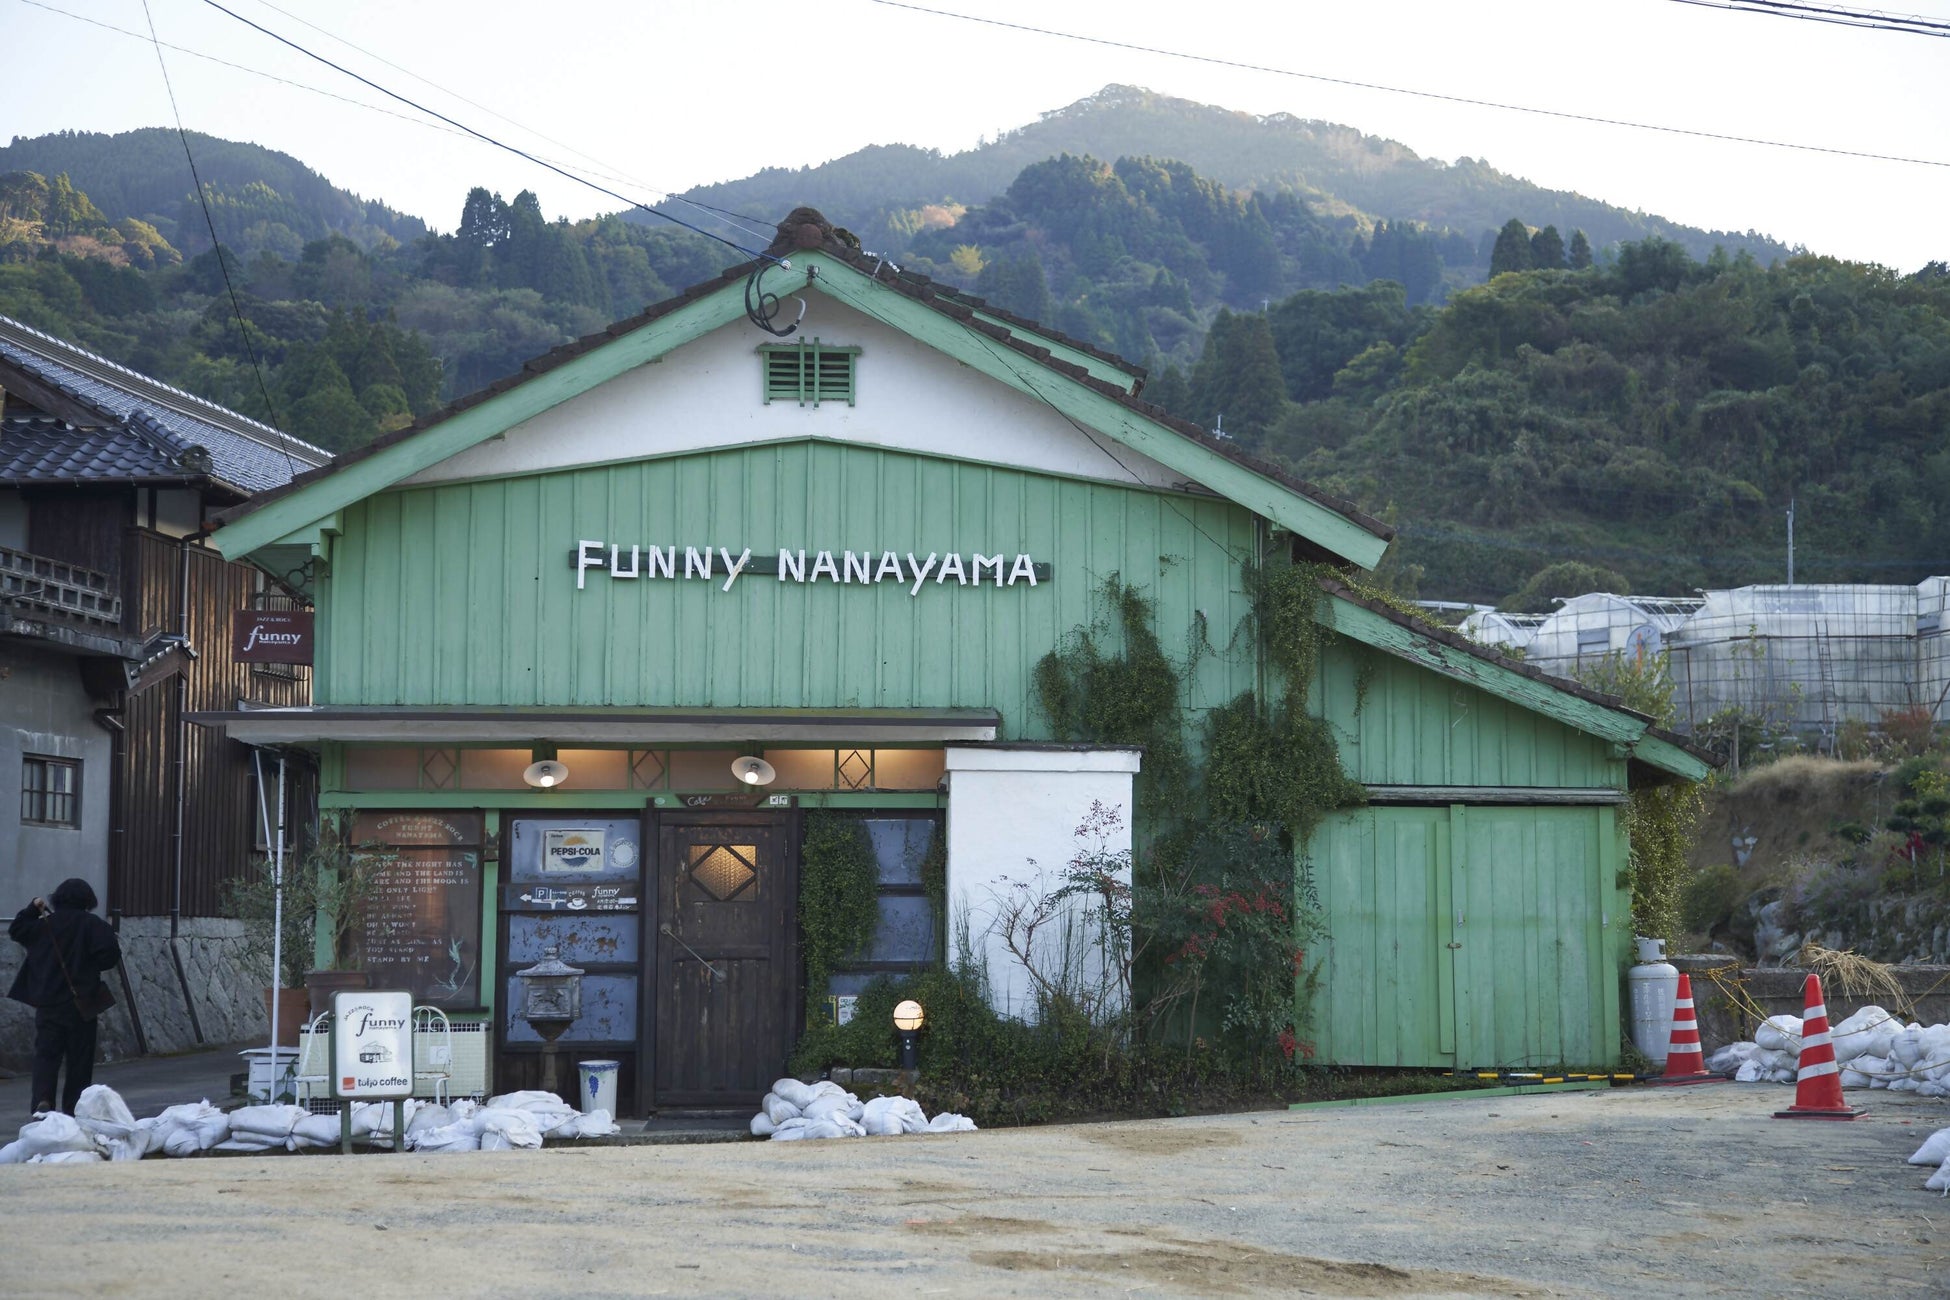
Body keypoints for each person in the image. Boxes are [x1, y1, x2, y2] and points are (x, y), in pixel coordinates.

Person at [8, 878, 121, 1115]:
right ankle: (75, 1110)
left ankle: (43, 1102)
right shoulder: (94, 925)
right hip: (83, 1004)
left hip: (48, 1004)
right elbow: (110, 956)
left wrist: (32, 907)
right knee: (79, 1061)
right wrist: (89, 967)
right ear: (88, 901)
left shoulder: (44, 925)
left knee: (46, 1057)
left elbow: (16, 929)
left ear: (57, 899)